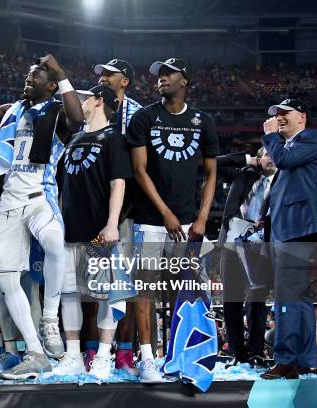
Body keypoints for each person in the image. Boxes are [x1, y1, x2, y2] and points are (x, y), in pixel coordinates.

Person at [0, 50, 84, 379]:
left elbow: (78, 119)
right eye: (28, 73)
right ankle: (35, 352)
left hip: (41, 195)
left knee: (56, 242)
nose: (29, 76)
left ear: (52, 85)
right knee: (6, 278)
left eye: (38, 74)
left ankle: (50, 319)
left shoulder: (57, 112)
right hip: (11, 200)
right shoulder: (10, 111)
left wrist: (60, 69)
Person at [127, 58, 219, 382]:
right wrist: (166, 213)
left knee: (193, 288)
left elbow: (211, 173)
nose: (162, 78)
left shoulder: (202, 121)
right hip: (151, 219)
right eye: (159, 75)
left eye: (169, 74)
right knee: (145, 288)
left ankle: (189, 355)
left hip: (191, 221)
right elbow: (138, 171)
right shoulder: (144, 118)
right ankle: (148, 359)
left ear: (185, 80)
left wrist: (202, 218)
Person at [56, 85, 133, 379]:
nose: (81, 101)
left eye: (86, 96)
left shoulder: (114, 138)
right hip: (70, 230)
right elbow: (64, 186)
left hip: (99, 230)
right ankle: (73, 356)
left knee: (107, 295)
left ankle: (103, 356)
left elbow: (119, 183)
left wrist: (112, 223)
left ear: (100, 101)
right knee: (70, 294)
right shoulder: (74, 138)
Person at [260, 99, 317, 379]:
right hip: (288, 228)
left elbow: (284, 162)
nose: (279, 118)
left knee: (288, 297)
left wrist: (270, 135)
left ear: (302, 116)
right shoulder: (290, 146)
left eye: (285, 113)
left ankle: (286, 359)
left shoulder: (311, 138)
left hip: (297, 228)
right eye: (276, 114)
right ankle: (305, 359)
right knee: (299, 298)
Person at [94, 58, 142, 371]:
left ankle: (125, 352)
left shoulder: (138, 114)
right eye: (103, 74)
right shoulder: (96, 108)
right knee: (93, 284)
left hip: (128, 209)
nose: (104, 78)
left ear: (125, 80)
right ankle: (92, 350)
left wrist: (122, 212)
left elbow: (139, 168)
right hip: (98, 207)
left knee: (127, 284)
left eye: (111, 74)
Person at [217, 147, 276, 368]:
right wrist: (247, 159)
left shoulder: (282, 181)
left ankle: (256, 353)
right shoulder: (244, 174)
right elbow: (214, 162)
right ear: (259, 158)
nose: (271, 158)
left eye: (275, 153)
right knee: (231, 300)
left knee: (257, 302)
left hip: (261, 247)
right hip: (232, 243)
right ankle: (236, 353)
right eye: (266, 154)